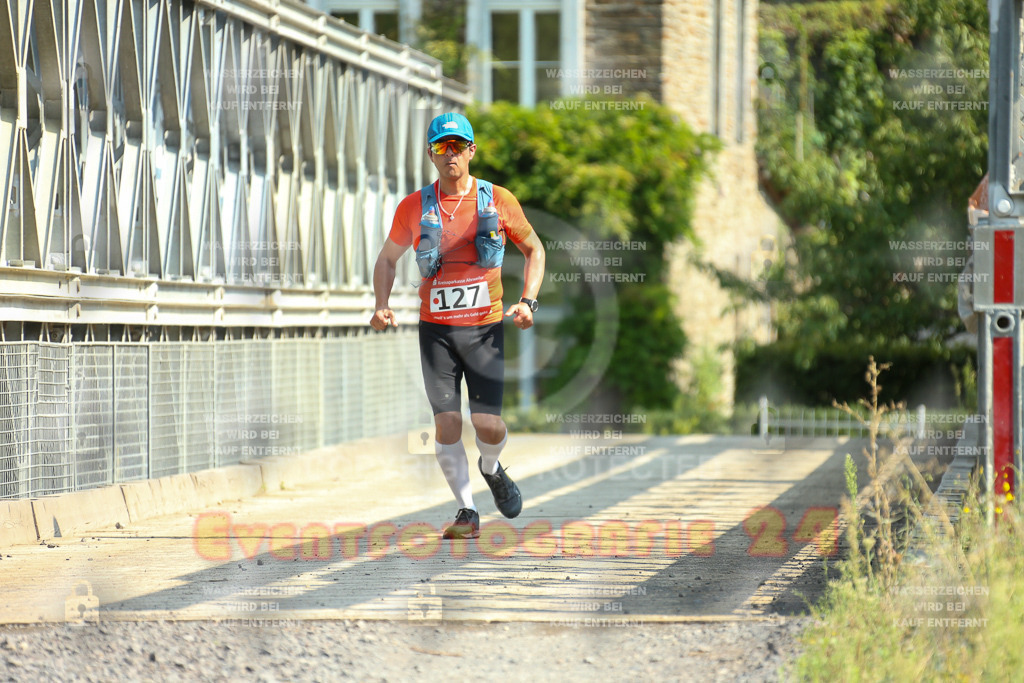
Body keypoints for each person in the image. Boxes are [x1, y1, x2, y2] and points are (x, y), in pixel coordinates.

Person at [369, 112, 546, 539]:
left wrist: (528, 302)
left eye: (457, 146)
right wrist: (381, 304)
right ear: (431, 155)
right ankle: (466, 511)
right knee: (447, 422)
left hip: (485, 329)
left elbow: (535, 249)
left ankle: (491, 468)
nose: (450, 155)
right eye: (441, 147)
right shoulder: (413, 207)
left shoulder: (497, 199)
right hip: (437, 332)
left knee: (487, 425)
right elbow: (388, 259)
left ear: (472, 151)